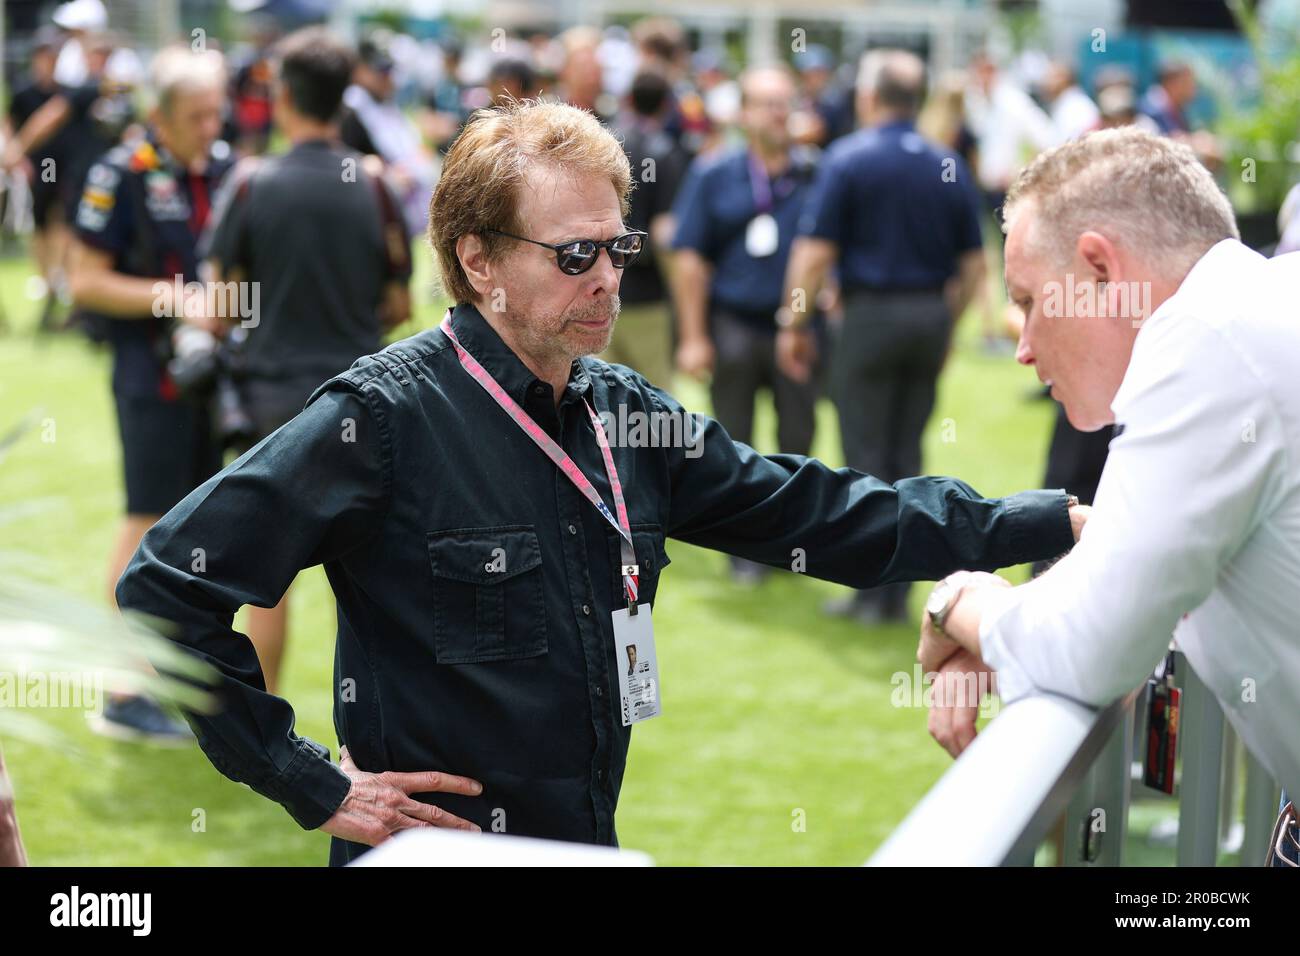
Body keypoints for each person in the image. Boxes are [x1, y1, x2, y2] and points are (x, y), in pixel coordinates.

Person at [116, 99, 1085, 864]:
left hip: (584, 846)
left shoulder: (626, 413)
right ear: (478, 260)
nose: (607, 279)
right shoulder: (383, 417)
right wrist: (312, 782)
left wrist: (1050, 519)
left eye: (616, 248)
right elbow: (165, 586)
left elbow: (822, 513)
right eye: (574, 254)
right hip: (434, 859)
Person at [915, 129, 1300, 825]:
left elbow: (1095, 645)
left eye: (1029, 300)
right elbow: (1132, 579)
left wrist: (962, 602)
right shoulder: (1253, 309)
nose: (1023, 349)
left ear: (1100, 268)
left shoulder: (1207, 338)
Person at [199, 27, 413, 694]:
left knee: (267, 580)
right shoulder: (373, 185)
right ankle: (387, 726)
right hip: (361, 401)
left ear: (283, 96)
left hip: (269, 406)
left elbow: (220, 308)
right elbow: (400, 302)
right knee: (375, 577)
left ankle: (264, 731)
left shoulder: (251, 182)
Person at [778, 49, 987, 623]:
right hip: (927, 315)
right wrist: (948, 322)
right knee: (908, 451)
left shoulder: (849, 159)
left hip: (870, 319)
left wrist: (792, 322)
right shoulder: (947, 162)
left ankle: (873, 593)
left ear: (869, 98)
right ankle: (901, 591)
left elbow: (814, 254)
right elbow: (974, 267)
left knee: (866, 455)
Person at [71, 45, 233, 743]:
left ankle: (174, 679)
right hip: (148, 375)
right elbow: (84, 280)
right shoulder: (120, 172)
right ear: (158, 114)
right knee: (145, 521)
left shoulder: (224, 169)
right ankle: (119, 689)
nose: (210, 125)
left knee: (196, 531)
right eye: (196, 115)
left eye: (216, 111)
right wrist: (179, 299)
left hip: (211, 379)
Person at [671, 64, 822, 585]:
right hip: (733, 323)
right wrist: (693, 336)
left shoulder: (814, 172)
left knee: (798, 436)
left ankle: (794, 542)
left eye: (785, 103)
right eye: (767, 102)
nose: (779, 113)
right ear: (742, 113)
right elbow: (690, 259)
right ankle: (744, 550)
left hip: (797, 330)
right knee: (733, 443)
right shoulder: (714, 174)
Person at [598, 69, 688, 389]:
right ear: (666, 105)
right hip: (649, 295)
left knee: (600, 396)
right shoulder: (665, 152)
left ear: (629, 99)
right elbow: (666, 232)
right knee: (654, 402)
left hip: (598, 284)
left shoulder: (602, 143)